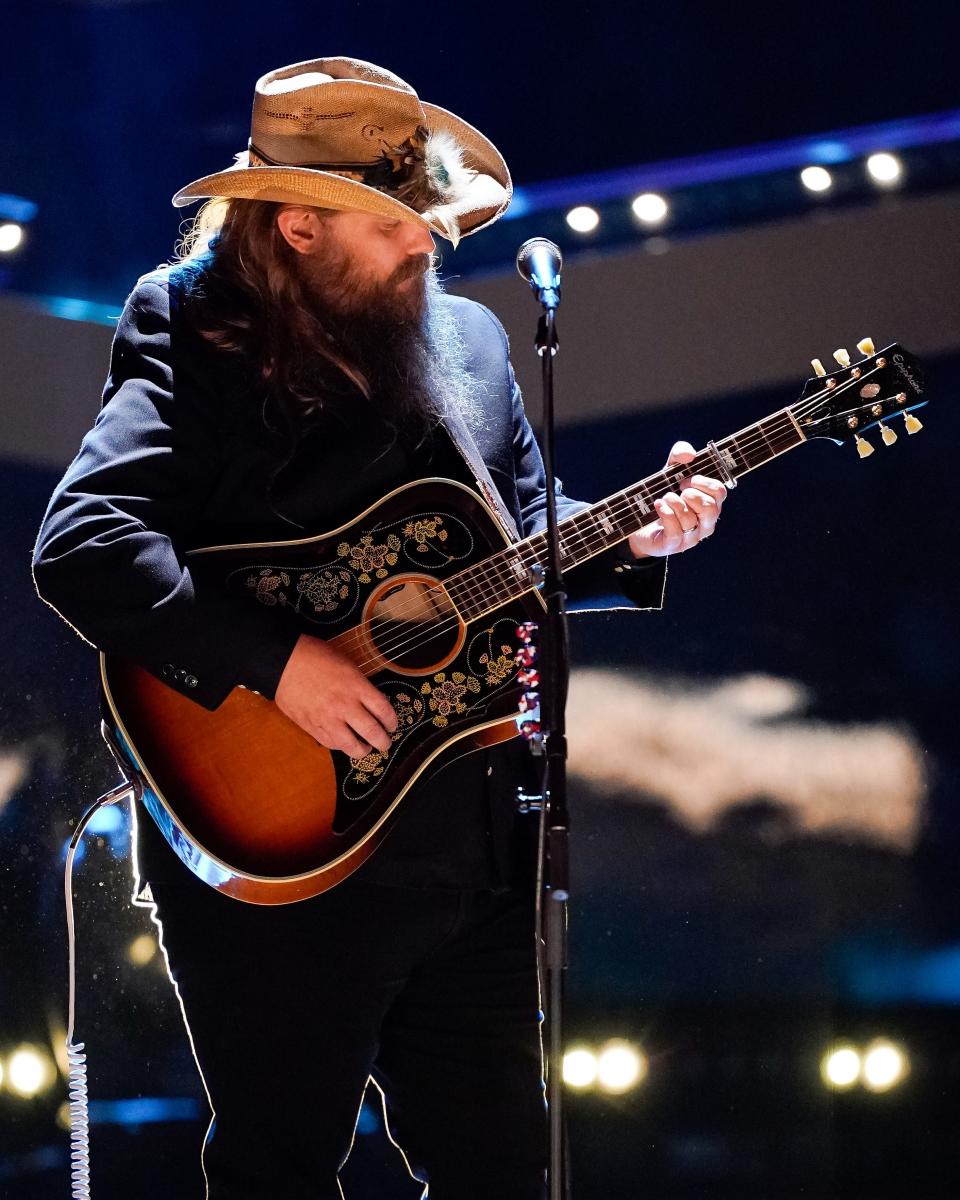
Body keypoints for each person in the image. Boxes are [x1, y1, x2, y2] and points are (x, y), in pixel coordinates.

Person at [32, 57, 727, 1200]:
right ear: (298, 224)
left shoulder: (470, 344)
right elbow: (88, 544)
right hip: (278, 834)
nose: (429, 245)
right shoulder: (191, 328)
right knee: (282, 1167)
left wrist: (637, 538)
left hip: (465, 833)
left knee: (502, 1165)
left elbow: (521, 532)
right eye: (393, 225)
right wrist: (278, 664)